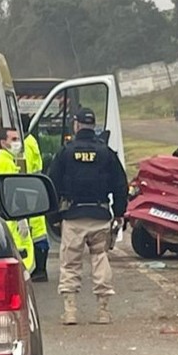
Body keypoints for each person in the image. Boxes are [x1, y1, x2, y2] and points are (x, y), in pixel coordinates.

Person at [47, 108, 128, 325]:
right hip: (100, 215)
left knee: (70, 263)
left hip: (73, 216)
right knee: (100, 259)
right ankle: (103, 311)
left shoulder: (65, 152)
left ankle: (70, 310)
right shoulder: (106, 153)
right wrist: (119, 213)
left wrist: (53, 215)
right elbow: (121, 185)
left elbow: (51, 184)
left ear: (76, 125)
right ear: (93, 126)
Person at [0, 127, 35, 273]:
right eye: (13, 139)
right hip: (11, 218)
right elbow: (7, 192)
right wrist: (20, 217)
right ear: (3, 143)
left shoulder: (6, 160)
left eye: (18, 139)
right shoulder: (3, 162)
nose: (18, 143)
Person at [21, 116, 50, 282]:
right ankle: (40, 268)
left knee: (36, 230)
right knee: (38, 229)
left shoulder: (26, 143)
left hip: (27, 189)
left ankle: (39, 269)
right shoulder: (31, 140)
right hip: (34, 187)